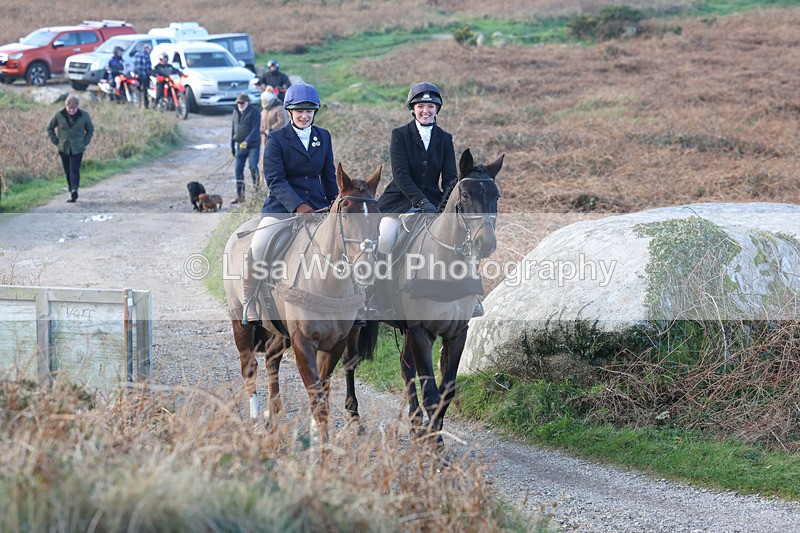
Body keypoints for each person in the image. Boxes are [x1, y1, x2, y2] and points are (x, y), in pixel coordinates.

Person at [241, 82, 337, 325]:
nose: (304, 116)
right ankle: (249, 300)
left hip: (319, 206)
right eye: (299, 111)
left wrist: (335, 202)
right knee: (260, 245)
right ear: (290, 112)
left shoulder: (323, 137)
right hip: (282, 208)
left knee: (346, 244)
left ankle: (354, 302)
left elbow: (328, 175)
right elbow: (275, 179)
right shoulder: (277, 139)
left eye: (309, 111)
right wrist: (298, 206)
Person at [378, 81, 457, 214]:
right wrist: (421, 201)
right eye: (420, 106)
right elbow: (400, 174)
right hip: (400, 201)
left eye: (431, 106)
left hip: (434, 202)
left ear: (436, 109)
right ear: (413, 109)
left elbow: (450, 178)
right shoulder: (400, 135)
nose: (425, 111)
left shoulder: (445, 138)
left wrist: (449, 204)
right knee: (387, 233)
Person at [46, 96, 94, 203]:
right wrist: (56, 141)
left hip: (77, 148)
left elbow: (90, 130)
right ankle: (71, 190)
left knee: (74, 169)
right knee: (67, 171)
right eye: (70, 108)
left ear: (77, 107)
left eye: (74, 108)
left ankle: (74, 190)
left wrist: (84, 142)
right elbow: (49, 128)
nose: (72, 110)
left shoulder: (84, 115)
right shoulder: (59, 115)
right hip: (64, 147)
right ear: (66, 106)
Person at [230, 92, 261, 204]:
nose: (240, 104)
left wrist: (246, 142)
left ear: (247, 102)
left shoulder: (255, 112)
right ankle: (240, 197)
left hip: (253, 145)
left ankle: (257, 192)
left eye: (242, 103)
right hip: (239, 146)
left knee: (253, 166)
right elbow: (233, 129)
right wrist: (232, 146)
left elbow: (255, 129)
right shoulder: (235, 112)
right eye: (238, 102)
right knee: (238, 170)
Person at [259, 86, 289, 181]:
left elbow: (282, 122)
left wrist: (271, 129)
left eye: (265, 101)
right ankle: (264, 180)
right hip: (266, 137)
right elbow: (261, 121)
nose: (264, 103)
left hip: (278, 137)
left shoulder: (279, 108)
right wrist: (262, 128)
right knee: (265, 159)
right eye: (263, 101)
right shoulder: (264, 110)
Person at [134, 44, 152, 108]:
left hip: (138, 76)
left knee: (138, 90)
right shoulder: (146, 56)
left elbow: (135, 66)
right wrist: (150, 73)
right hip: (145, 76)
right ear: (147, 48)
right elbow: (148, 67)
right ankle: (145, 105)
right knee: (145, 90)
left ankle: (138, 104)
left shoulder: (137, 54)